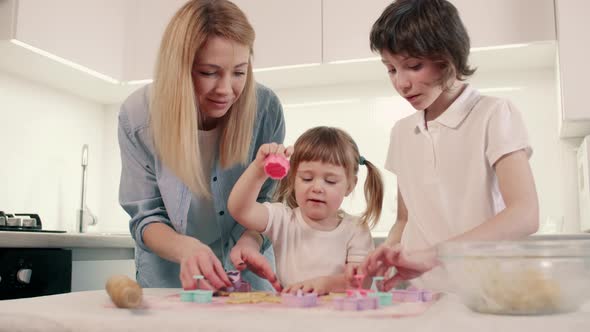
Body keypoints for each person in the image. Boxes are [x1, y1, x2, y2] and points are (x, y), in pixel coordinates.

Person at [356, 0, 539, 290]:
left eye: (413, 66)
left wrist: (434, 255)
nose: (401, 83)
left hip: (489, 291)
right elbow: (405, 220)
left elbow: (525, 214)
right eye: (390, 69)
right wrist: (388, 253)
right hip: (426, 294)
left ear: (450, 57)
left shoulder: (493, 114)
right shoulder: (402, 132)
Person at [118, 0, 284, 292]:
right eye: (209, 72)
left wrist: (249, 242)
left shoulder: (265, 109)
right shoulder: (138, 116)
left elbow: (268, 203)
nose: (225, 89)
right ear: (178, 68)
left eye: (239, 72)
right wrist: (186, 249)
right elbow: (146, 217)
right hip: (170, 274)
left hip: (248, 275)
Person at [228, 126, 384, 295]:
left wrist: (325, 284)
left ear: (350, 185)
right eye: (307, 178)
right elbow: (240, 210)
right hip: (294, 315)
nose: (317, 187)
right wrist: (258, 171)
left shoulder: (356, 229)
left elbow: (361, 281)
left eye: (330, 181)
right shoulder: (283, 219)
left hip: (340, 317)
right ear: (293, 178)